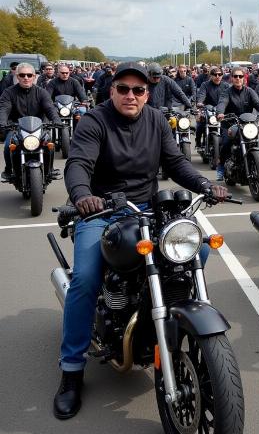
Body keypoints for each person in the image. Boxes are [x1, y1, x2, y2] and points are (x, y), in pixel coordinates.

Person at [53, 62, 228, 420]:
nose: (131, 95)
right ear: (112, 90)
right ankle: (71, 370)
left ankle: (165, 318)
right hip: (101, 210)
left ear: (147, 92)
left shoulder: (155, 120)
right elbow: (78, 163)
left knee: (193, 251)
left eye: (138, 90)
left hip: (147, 208)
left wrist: (205, 185)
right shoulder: (94, 122)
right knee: (85, 280)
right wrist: (83, 194)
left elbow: (176, 162)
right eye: (123, 89)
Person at [0, 62, 62, 181]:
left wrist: (56, 120)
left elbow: (50, 108)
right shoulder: (8, 93)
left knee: (49, 145)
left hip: (39, 127)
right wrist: (2, 122)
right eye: (22, 75)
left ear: (34, 76)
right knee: (8, 146)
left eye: (29, 75)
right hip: (15, 128)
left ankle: (50, 169)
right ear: (17, 76)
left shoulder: (41, 92)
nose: (26, 78)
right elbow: (4, 108)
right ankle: (9, 169)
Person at [214, 66, 259, 180]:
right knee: (227, 143)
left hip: (248, 124)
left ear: (244, 78)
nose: (238, 78)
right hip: (230, 123)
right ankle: (221, 167)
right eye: (235, 76)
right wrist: (220, 113)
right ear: (231, 78)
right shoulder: (227, 92)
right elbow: (222, 103)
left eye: (240, 76)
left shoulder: (250, 91)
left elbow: (258, 103)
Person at [195, 67, 229, 149]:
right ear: (211, 75)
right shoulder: (205, 85)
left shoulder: (226, 85)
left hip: (222, 111)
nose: (217, 76)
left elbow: (231, 96)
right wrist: (200, 102)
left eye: (220, 74)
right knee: (200, 124)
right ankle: (198, 142)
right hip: (208, 110)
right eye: (215, 74)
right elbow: (201, 95)